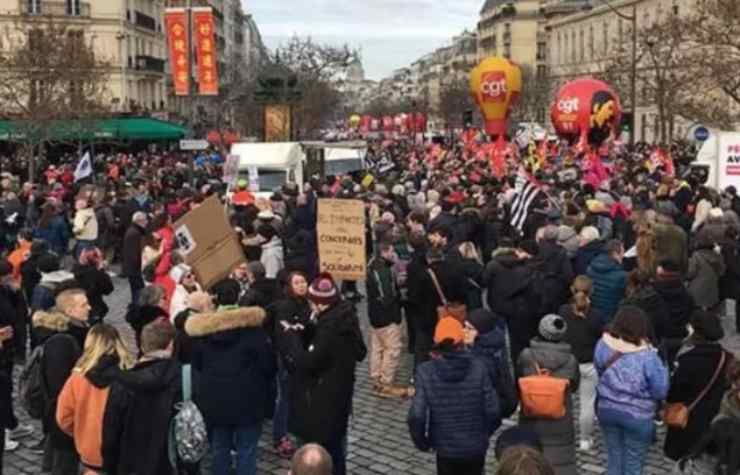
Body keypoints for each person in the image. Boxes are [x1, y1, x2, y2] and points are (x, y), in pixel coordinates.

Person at [186, 279, 276, 475]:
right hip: (249, 401)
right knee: (247, 451)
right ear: (238, 297)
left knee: (219, 449)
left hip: (216, 400)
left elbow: (198, 365)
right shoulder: (254, 331)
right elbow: (269, 367)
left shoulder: (205, 331)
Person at [280, 273, 367, 475]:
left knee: (328, 451)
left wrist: (292, 338)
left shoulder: (329, 329)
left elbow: (308, 363)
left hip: (324, 403)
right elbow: (360, 351)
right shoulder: (345, 317)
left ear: (320, 304)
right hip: (340, 399)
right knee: (337, 447)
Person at [408, 317, 500, 475]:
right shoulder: (479, 367)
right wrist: (484, 433)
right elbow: (493, 410)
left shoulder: (425, 371)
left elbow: (417, 415)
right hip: (475, 446)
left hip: (445, 448)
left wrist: (422, 442)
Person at [104, 319, 186, 475]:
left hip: (130, 465)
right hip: (171, 464)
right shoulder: (185, 377)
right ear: (171, 345)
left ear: (141, 346)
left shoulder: (122, 383)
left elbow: (111, 432)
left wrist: (109, 467)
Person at [594, 306, 669, 475]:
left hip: (607, 409)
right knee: (633, 463)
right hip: (638, 416)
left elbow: (599, 370)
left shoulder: (603, 344)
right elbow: (660, 391)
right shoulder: (649, 356)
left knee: (614, 457)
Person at [55, 324, 134, 474]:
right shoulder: (130, 377)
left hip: (89, 451)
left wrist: (81, 431)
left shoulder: (77, 379)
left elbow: (63, 417)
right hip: (122, 452)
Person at [33, 288, 91, 475]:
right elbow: (60, 388)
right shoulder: (63, 342)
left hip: (61, 419)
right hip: (63, 419)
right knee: (63, 464)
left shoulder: (77, 332)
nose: (89, 307)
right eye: (83, 305)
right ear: (69, 311)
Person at [663, 310, 730, 461]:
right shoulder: (726, 357)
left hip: (685, 418)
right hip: (710, 417)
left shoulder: (688, 361)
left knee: (682, 457)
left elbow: (674, 392)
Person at [517, 314, 580, 475]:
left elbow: (518, 379)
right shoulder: (571, 360)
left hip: (531, 418)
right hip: (560, 420)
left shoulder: (527, 356)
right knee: (561, 462)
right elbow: (574, 386)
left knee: (531, 459)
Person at [558, 276, 604, 451]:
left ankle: (564, 434)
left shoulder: (562, 311)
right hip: (589, 364)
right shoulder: (597, 316)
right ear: (592, 291)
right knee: (588, 403)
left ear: (572, 289)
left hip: (567, 363)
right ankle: (585, 439)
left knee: (565, 401)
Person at [272, 272, 312, 458]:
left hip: (303, 357)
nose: (302, 285)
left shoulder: (307, 303)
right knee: (285, 398)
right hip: (289, 360)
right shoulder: (285, 306)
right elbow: (285, 336)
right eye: (297, 282)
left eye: (303, 281)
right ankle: (280, 436)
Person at [366, 242, 409, 398]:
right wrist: (395, 314)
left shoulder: (371, 266)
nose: (393, 254)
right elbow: (387, 296)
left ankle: (376, 377)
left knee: (377, 347)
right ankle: (385, 382)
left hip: (375, 316)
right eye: (391, 251)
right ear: (385, 251)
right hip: (387, 317)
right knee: (392, 349)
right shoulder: (383, 271)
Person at [467, 308, 518, 420]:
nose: (464, 331)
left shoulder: (483, 358)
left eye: (470, 329)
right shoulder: (493, 346)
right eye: (464, 327)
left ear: (481, 332)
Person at [653, 259, 695, 364]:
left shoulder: (653, 294)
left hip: (659, 338)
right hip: (678, 337)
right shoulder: (687, 295)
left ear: (662, 276)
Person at [587, 239, 627, 324]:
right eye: (622, 252)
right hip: (610, 316)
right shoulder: (622, 276)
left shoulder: (590, 268)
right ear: (615, 254)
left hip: (592, 314)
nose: (623, 255)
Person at [72, 248, 114, 324]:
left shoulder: (76, 269)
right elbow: (108, 289)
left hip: (79, 306)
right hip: (94, 307)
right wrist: (102, 271)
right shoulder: (96, 273)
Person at [686, 232, 726, 312]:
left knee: (696, 313)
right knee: (710, 311)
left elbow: (691, 273)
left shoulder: (697, 255)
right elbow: (721, 272)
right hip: (712, 289)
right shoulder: (718, 256)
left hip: (697, 289)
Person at [125, 285, 168, 354]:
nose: (166, 300)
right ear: (154, 300)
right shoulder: (157, 318)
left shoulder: (141, 316)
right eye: (164, 298)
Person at [122, 211, 148, 306]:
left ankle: (137, 306)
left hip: (132, 267)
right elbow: (134, 253)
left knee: (136, 290)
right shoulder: (135, 233)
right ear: (139, 221)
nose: (147, 222)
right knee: (138, 290)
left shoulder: (134, 231)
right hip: (134, 268)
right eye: (145, 220)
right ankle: (137, 308)